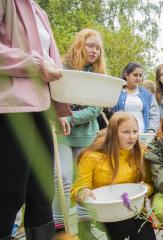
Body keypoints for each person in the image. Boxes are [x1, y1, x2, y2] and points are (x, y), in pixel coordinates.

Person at [0, 1, 71, 239]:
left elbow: (54, 64)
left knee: (42, 192)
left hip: (42, 109)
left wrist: (60, 109)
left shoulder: (39, 12)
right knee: (10, 192)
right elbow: (42, 63)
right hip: (11, 108)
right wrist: (35, 64)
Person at [52, 28, 105, 236]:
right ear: (79, 44)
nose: (95, 51)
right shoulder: (61, 67)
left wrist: (72, 118)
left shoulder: (96, 75)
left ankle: (85, 224)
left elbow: (96, 107)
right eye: (91, 45)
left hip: (86, 134)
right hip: (61, 133)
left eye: (98, 48)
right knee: (62, 177)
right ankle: (59, 226)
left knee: (85, 180)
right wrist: (60, 117)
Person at [71, 112, 156, 240]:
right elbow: (77, 190)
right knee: (121, 228)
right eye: (126, 132)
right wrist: (84, 191)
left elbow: (150, 185)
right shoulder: (91, 157)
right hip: (107, 215)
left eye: (135, 131)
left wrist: (146, 189)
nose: (132, 137)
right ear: (113, 133)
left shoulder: (141, 152)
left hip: (135, 211)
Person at [111, 62, 160, 133]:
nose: (138, 78)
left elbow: (155, 114)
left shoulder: (148, 95)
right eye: (135, 75)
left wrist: (151, 130)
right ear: (126, 75)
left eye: (140, 76)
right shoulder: (117, 93)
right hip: (122, 135)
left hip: (143, 135)